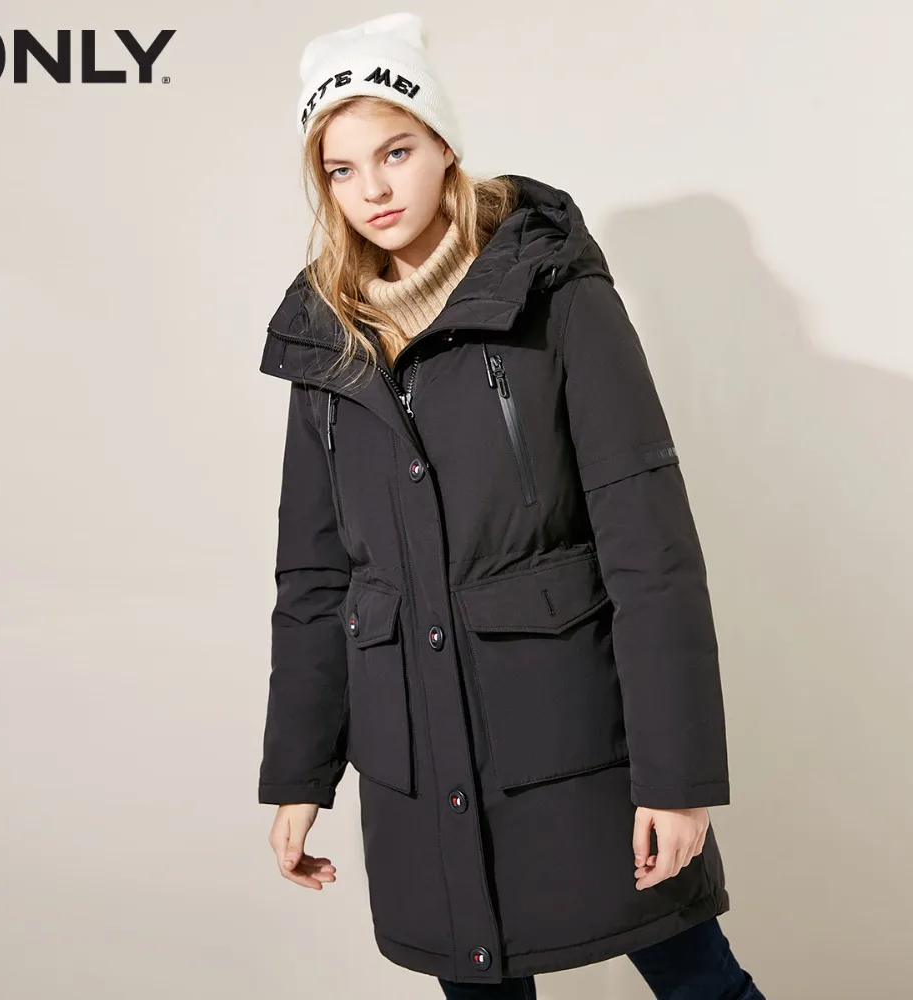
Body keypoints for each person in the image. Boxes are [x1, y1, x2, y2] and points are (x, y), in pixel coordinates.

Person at [257, 12, 765, 999]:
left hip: (575, 749)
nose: (374, 190)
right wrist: (298, 774)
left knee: (697, 980)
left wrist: (676, 778)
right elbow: (315, 579)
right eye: (342, 169)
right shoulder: (326, 343)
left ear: (443, 143)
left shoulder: (556, 294)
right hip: (419, 770)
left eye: (395, 152)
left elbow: (648, 544)